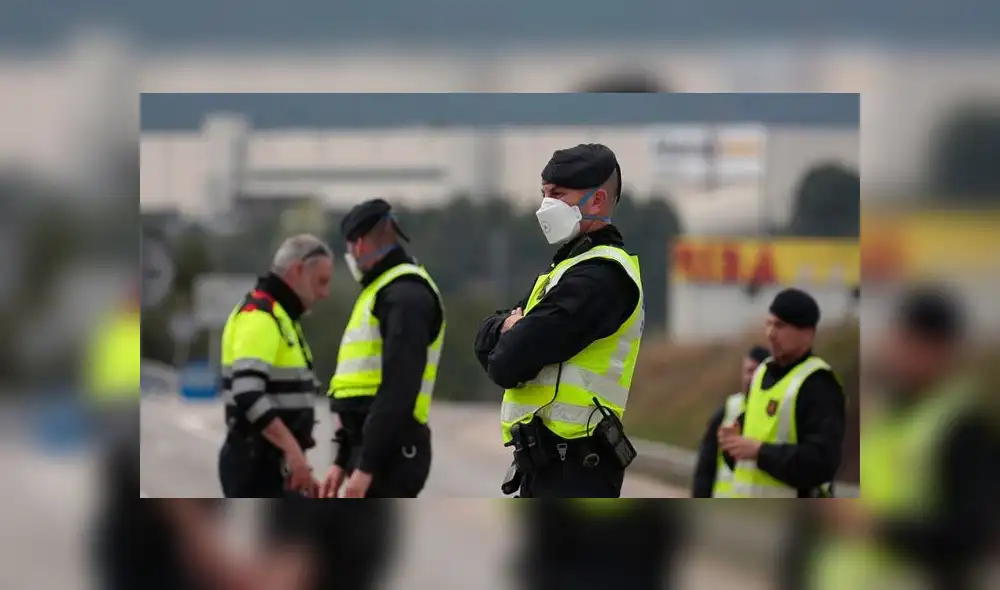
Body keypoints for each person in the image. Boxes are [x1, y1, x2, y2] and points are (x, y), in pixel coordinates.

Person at [797, 286, 1000, 590]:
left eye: (911, 343)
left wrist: (878, 528)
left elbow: (971, 535)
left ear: (942, 350)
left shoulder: (966, 427)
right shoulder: (883, 414)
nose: (897, 352)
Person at [473, 143, 644, 498]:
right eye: (543, 194)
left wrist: (510, 330)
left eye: (557, 194)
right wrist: (505, 326)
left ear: (597, 201)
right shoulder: (566, 270)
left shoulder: (601, 278)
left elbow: (506, 362)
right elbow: (486, 339)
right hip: (546, 465)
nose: (545, 206)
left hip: (579, 467)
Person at [320, 199, 445, 498]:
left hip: (390, 456)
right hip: (369, 451)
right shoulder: (380, 291)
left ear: (359, 245)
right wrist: (342, 460)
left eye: (349, 248)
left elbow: (399, 388)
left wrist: (365, 467)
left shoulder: (405, 296)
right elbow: (357, 389)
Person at [217, 234, 333, 498]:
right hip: (256, 464)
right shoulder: (260, 316)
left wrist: (297, 465)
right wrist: (293, 452)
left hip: (270, 464)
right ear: (298, 271)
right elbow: (248, 392)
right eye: (321, 282)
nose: (325, 293)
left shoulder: (282, 317)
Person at [716, 287, 846, 498]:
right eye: (768, 323)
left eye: (780, 326)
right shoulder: (762, 373)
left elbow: (822, 463)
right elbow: (750, 450)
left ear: (807, 333)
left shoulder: (819, 384)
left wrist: (759, 451)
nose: (770, 334)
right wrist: (732, 443)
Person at [690, 344, 770, 497]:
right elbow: (705, 467)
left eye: (755, 371)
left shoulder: (777, 413)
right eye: (747, 371)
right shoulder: (727, 411)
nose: (749, 377)